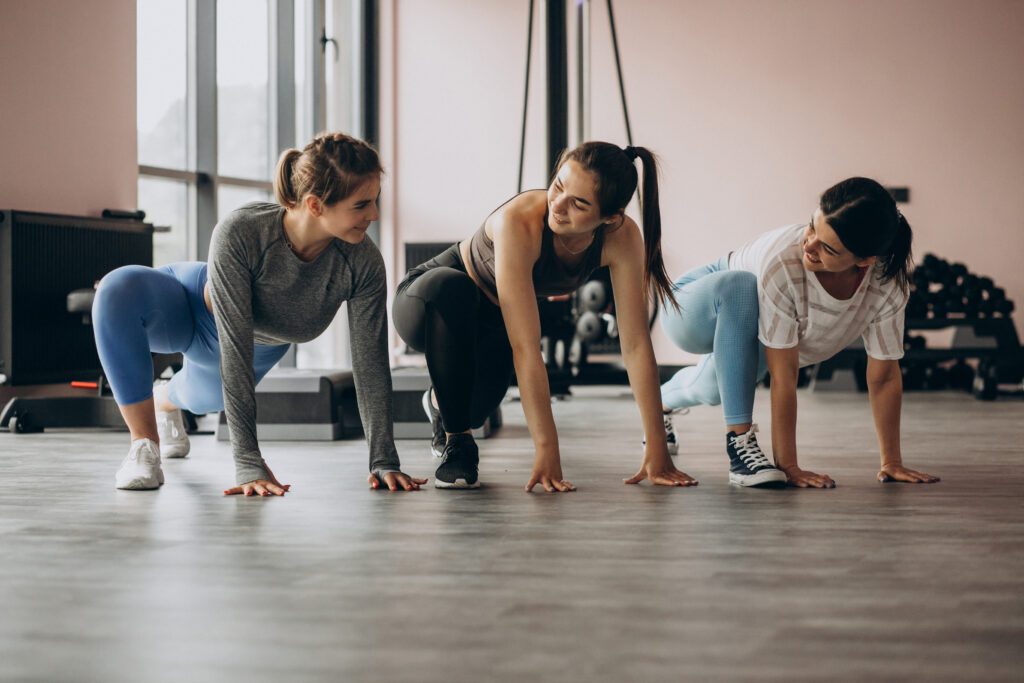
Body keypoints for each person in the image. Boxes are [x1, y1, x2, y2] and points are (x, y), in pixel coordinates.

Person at [93, 132, 425, 495]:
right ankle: (144, 446)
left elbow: (370, 362)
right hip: (190, 307)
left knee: (204, 399)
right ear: (315, 205)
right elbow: (234, 348)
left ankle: (164, 400)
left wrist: (384, 461)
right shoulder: (244, 230)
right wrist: (248, 462)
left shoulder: (361, 263)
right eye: (361, 205)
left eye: (374, 201)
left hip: (256, 348)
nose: (374, 215)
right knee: (115, 290)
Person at [393, 141, 696, 492]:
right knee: (455, 290)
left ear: (610, 216)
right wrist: (547, 450)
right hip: (429, 303)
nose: (558, 204)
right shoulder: (519, 221)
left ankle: (437, 400)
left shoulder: (622, 237)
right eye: (558, 186)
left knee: (473, 410)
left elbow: (636, 344)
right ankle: (457, 441)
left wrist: (658, 450)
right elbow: (525, 346)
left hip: (490, 323)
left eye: (579, 204)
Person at [659, 177, 940, 488]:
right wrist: (789, 466)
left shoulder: (886, 286)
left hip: (747, 333)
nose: (808, 245)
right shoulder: (784, 262)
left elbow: (884, 376)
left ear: (864, 260)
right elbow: (784, 376)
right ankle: (739, 447)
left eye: (827, 247)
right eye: (811, 227)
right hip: (690, 309)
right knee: (742, 286)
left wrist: (892, 462)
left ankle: (661, 403)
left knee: (711, 390)